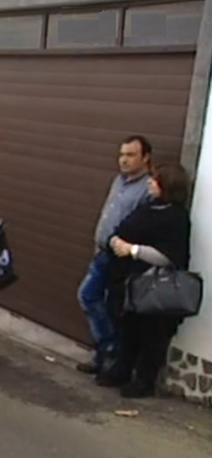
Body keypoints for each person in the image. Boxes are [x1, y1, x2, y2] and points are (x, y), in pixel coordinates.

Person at [99, 164, 191, 398]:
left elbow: (170, 256)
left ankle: (143, 382)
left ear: (167, 186)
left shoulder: (176, 218)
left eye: (155, 180)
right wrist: (115, 241)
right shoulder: (149, 207)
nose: (150, 183)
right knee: (127, 329)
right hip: (129, 281)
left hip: (153, 287)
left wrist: (133, 250)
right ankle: (121, 370)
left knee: (151, 338)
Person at [77, 135, 152, 375]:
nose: (124, 160)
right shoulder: (118, 182)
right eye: (122, 154)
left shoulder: (147, 189)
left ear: (146, 158)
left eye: (131, 155)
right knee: (95, 301)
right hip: (101, 252)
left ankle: (111, 348)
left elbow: (141, 227)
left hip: (119, 258)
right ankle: (103, 355)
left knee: (91, 297)